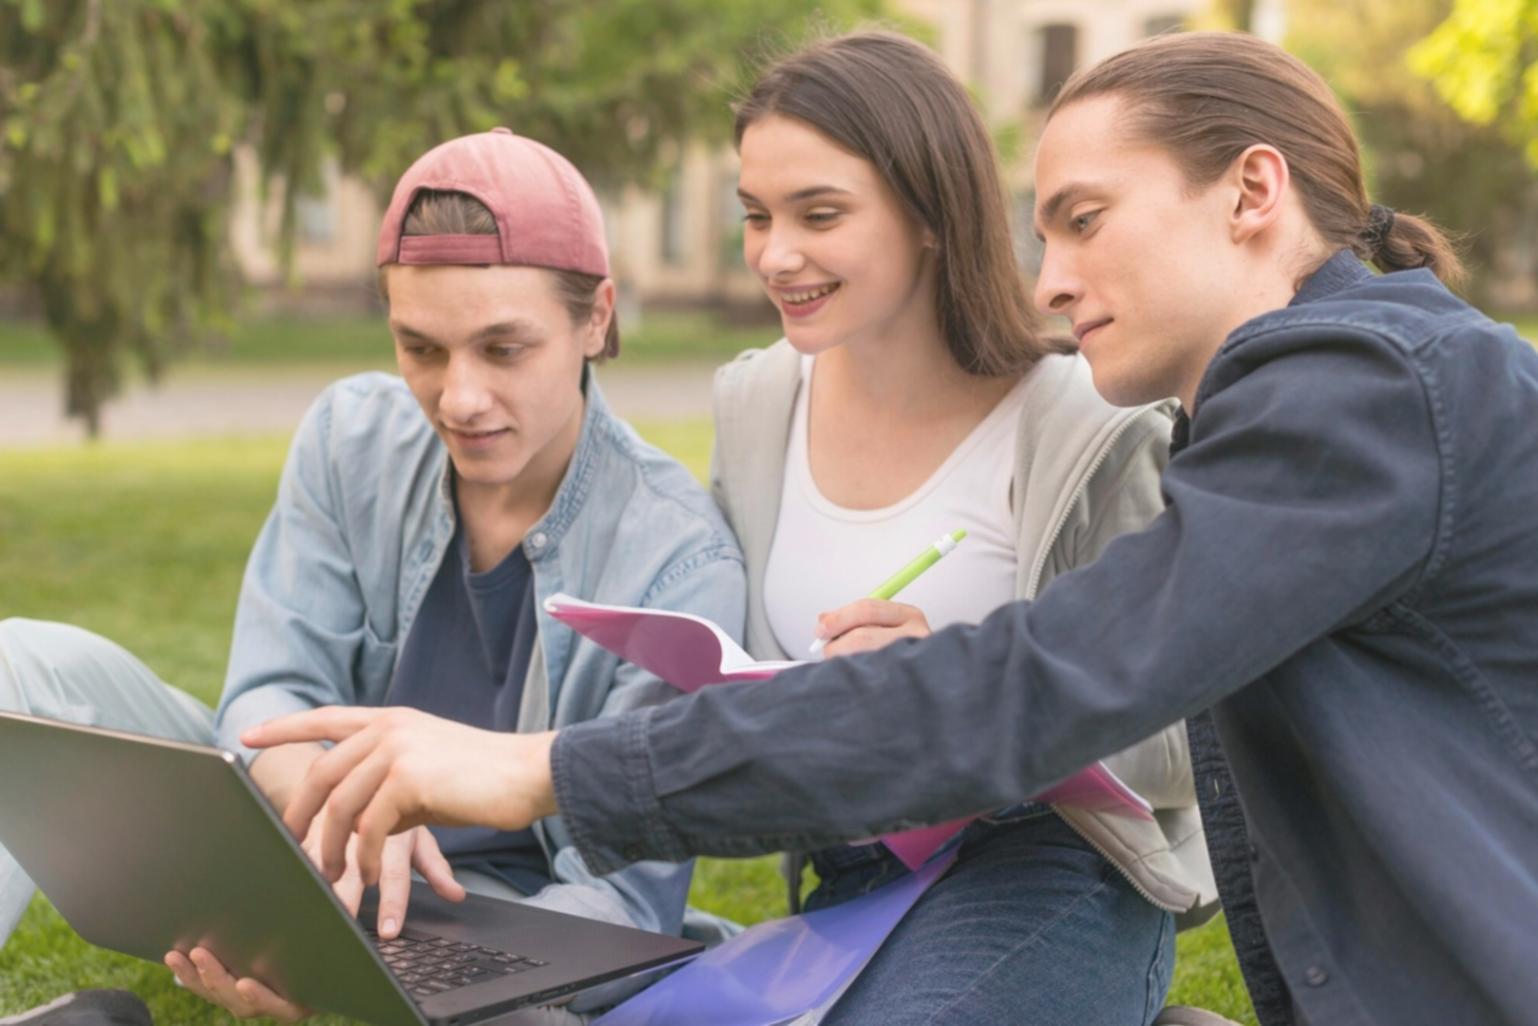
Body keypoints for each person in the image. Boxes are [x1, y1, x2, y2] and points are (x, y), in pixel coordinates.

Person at [253, 31, 1538, 1026]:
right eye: (1042, 234)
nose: (1049, 280)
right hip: (864, 878)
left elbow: (1040, 688)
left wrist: (538, 771)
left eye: (1085, 220)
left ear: (1252, 191)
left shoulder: (1364, 402)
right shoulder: (1327, 399)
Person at [0, 128, 745, 1024]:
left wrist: (370, 968)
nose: (458, 399)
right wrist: (336, 822)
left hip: (507, 922)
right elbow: (267, 702)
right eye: (421, 348)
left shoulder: (679, 557)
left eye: (502, 350)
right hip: (299, 848)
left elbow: (622, 905)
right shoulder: (349, 436)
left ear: (596, 319)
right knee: (19, 664)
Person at [707, 31, 1212, 1024]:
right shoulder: (755, 403)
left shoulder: (1080, 424)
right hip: (852, 874)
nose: (776, 254)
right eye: (756, 216)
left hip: (1049, 865)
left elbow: (1190, 739)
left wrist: (963, 683)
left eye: (819, 213)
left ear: (929, 212)